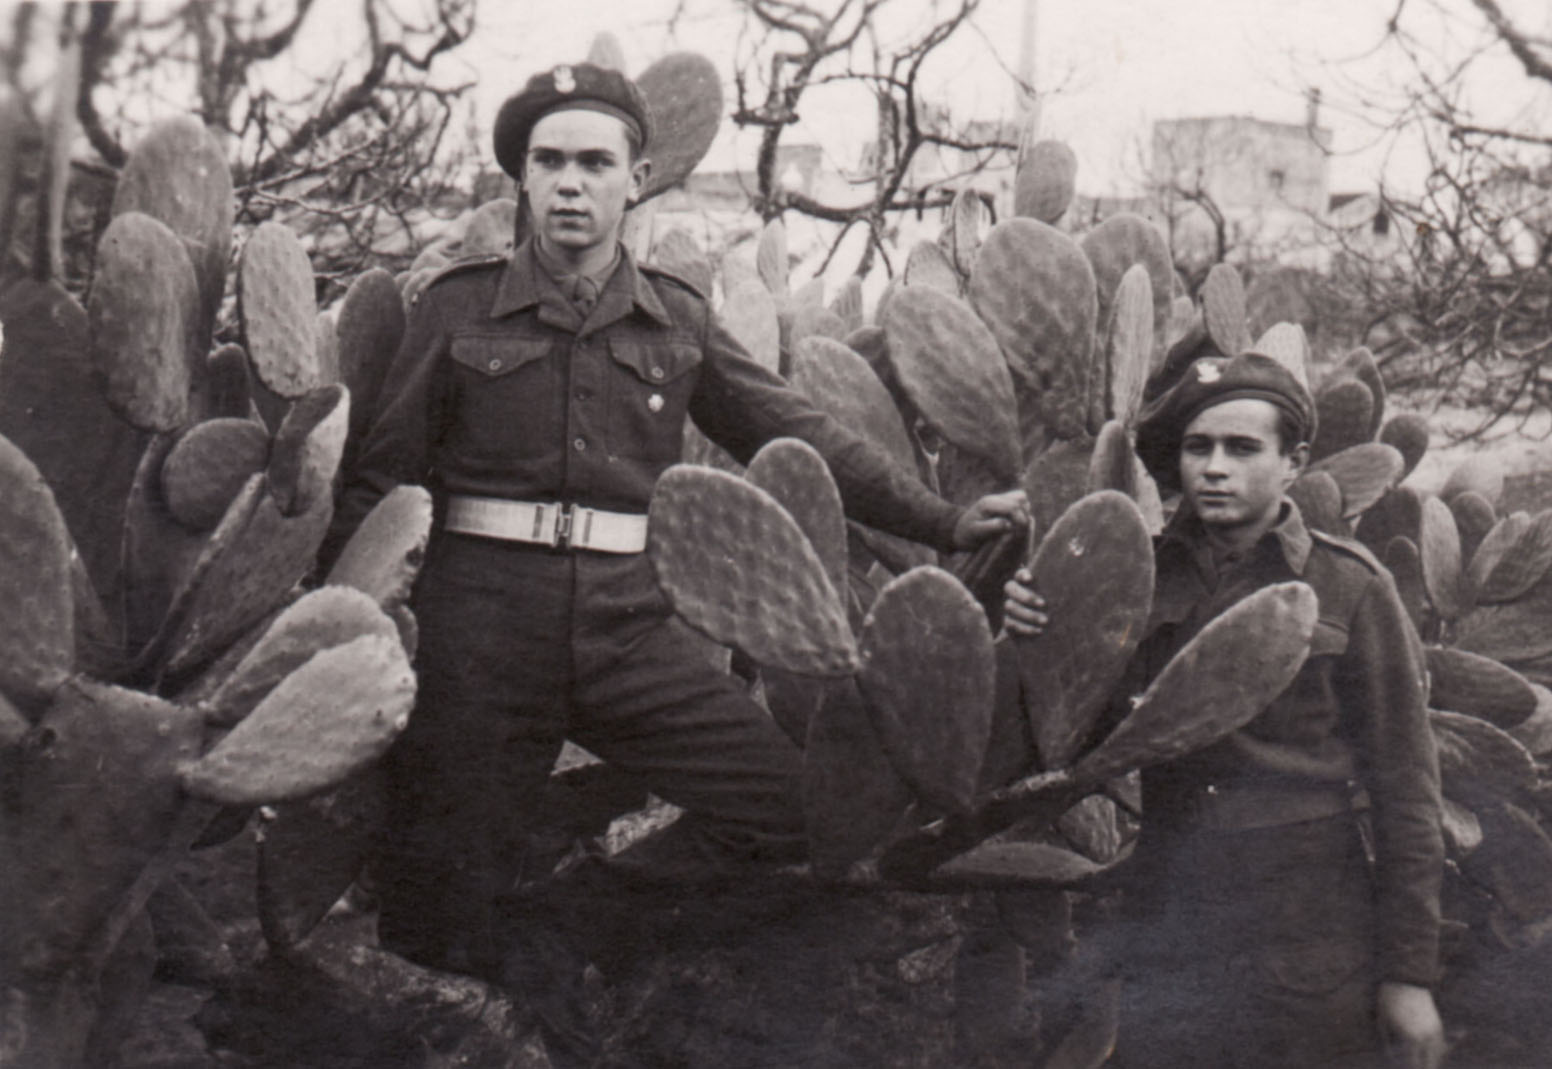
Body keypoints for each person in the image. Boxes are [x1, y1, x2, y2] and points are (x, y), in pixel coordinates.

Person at [328, 61, 1028, 1057]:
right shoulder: (457, 307)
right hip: (477, 632)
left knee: (792, 812)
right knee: (437, 899)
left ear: (638, 178)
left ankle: (578, 912)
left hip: (627, 631)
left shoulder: (677, 317)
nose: (571, 184)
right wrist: (359, 636)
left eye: (594, 163)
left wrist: (944, 521)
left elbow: (800, 432)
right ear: (523, 179)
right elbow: (382, 483)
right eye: (549, 162)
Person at [1003, 351, 1446, 1068]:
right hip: (1172, 918)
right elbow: (1072, 734)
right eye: (1197, 447)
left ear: (1293, 462)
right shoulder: (1133, 573)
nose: (1214, 468)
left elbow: (1408, 793)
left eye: (1242, 448)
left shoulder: (1352, 587)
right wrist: (1033, 628)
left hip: (1309, 929)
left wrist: (1410, 975)